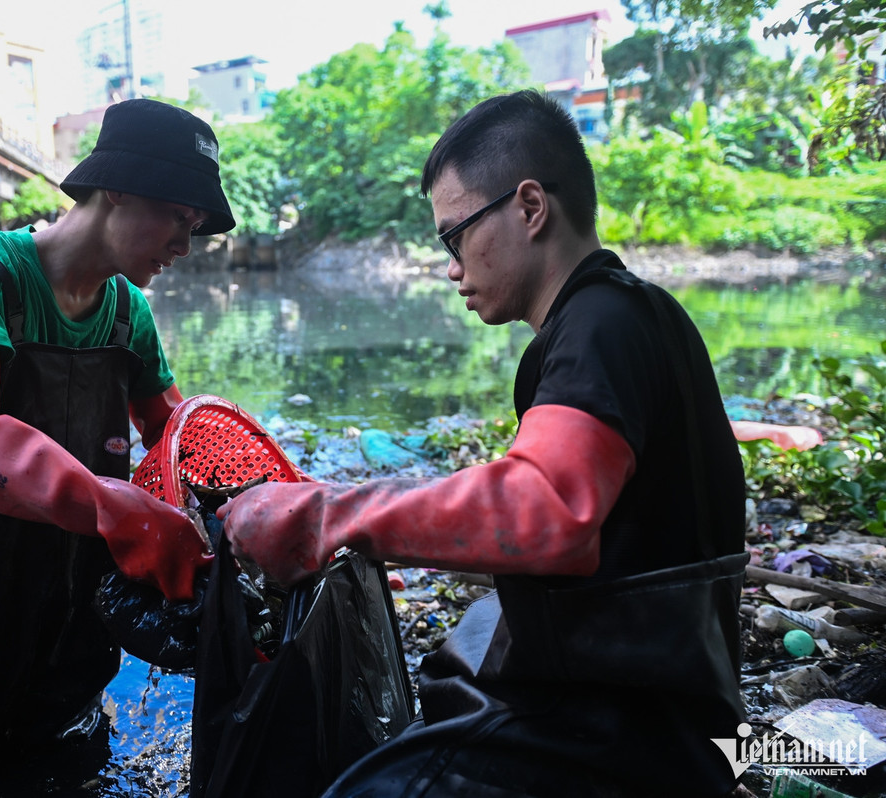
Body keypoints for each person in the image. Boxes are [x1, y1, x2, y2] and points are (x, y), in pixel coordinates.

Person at [217, 89, 748, 797]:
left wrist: (331, 512)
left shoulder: (599, 324)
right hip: (687, 696)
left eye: (454, 235)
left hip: (621, 728)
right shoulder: (637, 313)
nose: (450, 266)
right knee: (461, 649)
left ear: (530, 208)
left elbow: (549, 510)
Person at [0, 98, 234, 792]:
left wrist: (266, 530)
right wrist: (116, 507)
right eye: (179, 216)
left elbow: (176, 442)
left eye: (196, 227)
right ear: (114, 188)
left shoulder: (126, 311)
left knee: (66, 761)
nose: (185, 243)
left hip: (62, 607)